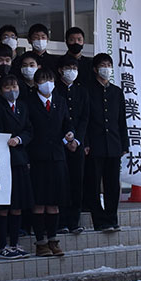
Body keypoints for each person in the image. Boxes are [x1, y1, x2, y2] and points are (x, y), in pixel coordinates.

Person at [28, 67, 77, 256]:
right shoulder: (29, 103)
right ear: (36, 83)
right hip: (38, 157)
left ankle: (53, 239)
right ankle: (40, 242)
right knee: (39, 202)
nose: (47, 84)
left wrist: (70, 134)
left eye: (50, 80)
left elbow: (67, 122)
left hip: (57, 156)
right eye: (42, 80)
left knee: (54, 202)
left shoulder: (59, 101)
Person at [0, 73, 35, 258]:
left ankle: (15, 243)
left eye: (14, 86)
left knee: (17, 205)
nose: (12, 90)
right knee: (3, 205)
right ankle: (2, 245)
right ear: (0, 91)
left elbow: (30, 130)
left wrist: (20, 139)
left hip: (20, 159)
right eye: (7, 87)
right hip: (3, 160)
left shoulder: (22, 107)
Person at [87, 53, 129, 232]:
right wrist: (86, 142)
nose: (106, 68)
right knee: (94, 184)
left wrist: (124, 144)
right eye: (103, 65)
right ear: (95, 69)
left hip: (113, 144)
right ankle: (99, 220)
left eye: (109, 65)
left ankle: (112, 218)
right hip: (94, 145)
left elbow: (122, 120)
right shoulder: (87, 90)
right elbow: (85, 120)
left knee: (112, 184)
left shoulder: (117, 92)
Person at [56, 54, 90, 234]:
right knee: (62, 183)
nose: (72, 72)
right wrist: (65, 139)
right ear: (60, 70)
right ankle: (61, 222)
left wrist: (77, 140)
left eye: (75, 69)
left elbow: (85, 118)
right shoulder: (55, 90)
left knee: (77, 182)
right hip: (59, 144)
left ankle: (74, 221)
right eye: (68, 68)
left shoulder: (82, 91)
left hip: (77, 143)